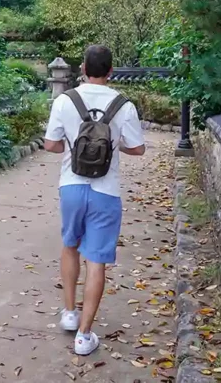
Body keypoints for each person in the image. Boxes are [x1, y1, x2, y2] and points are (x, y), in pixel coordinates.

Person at [43, 45, 146, 356]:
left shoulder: (65, 100)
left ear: (83, 69)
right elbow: (138, 149)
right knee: (96, 260)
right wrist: (115, 146)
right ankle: (84, 336)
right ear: (111, 71)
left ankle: (69, 313)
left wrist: (70, 146)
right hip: (106, 191)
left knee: (69, 244)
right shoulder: (124, 105)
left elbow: (51, 145)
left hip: (71, 187)